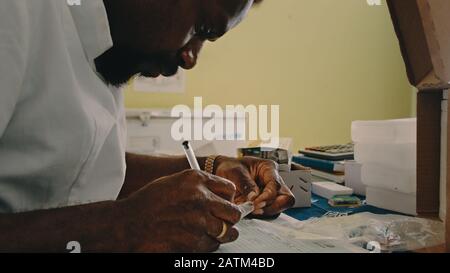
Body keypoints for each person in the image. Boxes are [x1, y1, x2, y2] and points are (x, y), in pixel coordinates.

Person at [0, 0, 294, 252]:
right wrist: (120, 227)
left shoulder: (110, 43)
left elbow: (76, 171)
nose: (190, 58)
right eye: (200, 30)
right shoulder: (14, 15)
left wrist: (210, 168)